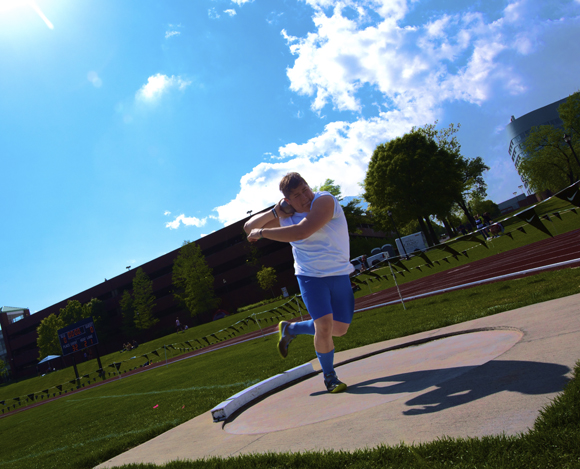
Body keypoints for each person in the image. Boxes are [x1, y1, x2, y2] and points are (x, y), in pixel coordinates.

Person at [245, 172, 354, 393]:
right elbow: (248, 228)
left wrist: (264, 232)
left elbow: (302, 232)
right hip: (310, 276)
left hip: (339, 273)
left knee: (340, 329)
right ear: (288, 200)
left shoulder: (324, 200)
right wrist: (275, 212)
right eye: (296, 195)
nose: (304, 196)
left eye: (305, 189)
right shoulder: (286, 215)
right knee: (324, 326)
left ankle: (291, 329)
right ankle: (330, 377)